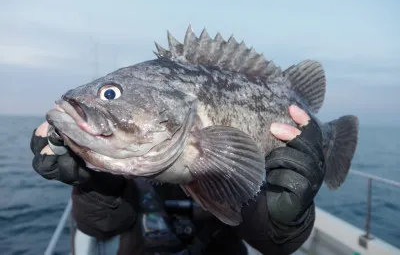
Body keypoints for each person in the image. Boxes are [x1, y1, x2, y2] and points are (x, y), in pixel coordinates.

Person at [30, 105, 326, 255]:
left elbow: (272, 243)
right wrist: (95, 184)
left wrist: (288, 219)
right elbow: (100, 225)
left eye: (110, 94)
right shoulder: (124, 163)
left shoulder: (229, 166)